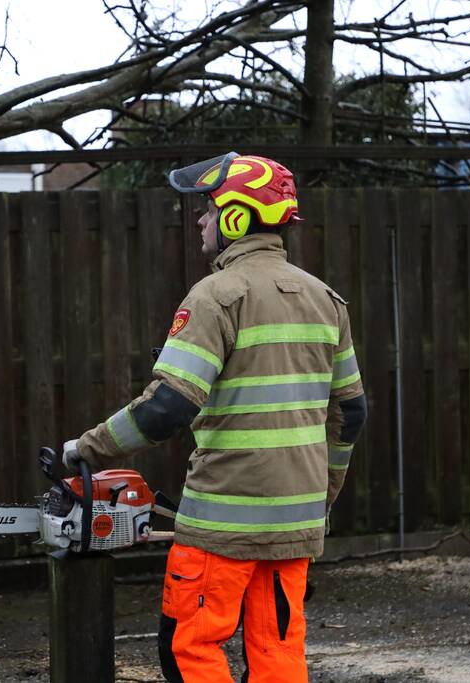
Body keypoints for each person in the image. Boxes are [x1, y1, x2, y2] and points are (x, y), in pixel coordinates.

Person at [61, 152, 367, 682]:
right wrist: (323, 490)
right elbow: (351, 412)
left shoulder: (215, 296)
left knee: (191, 648)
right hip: (296, 521)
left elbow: (167, 407)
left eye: (207, 209)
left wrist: (83, 450)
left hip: (222, 525)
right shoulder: (326, 300)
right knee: (277, 654)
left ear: (235, 217)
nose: (200, 220)